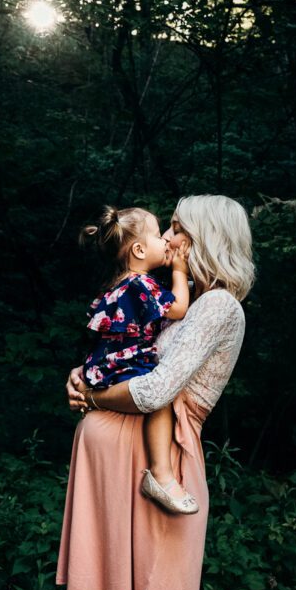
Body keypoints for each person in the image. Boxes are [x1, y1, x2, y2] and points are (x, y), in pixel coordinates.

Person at [57, 195, 254, 590]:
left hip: (164, 469)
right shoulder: (175, 305)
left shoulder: (219, 305)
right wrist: (81, 375)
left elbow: (155, 389)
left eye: (176, 228)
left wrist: (96, 398)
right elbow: (129, 352)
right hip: (122, 463)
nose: (166, 239)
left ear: (205, 238)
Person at [80, 204, 198, 514]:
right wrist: (180, 271)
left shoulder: (116, 286)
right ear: (140, 250)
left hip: (103, 363)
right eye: (159, 236)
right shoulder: (141, 285)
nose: (165, 242)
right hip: (128, 364)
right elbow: (178, 310)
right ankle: (161, 473)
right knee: (160, 398)